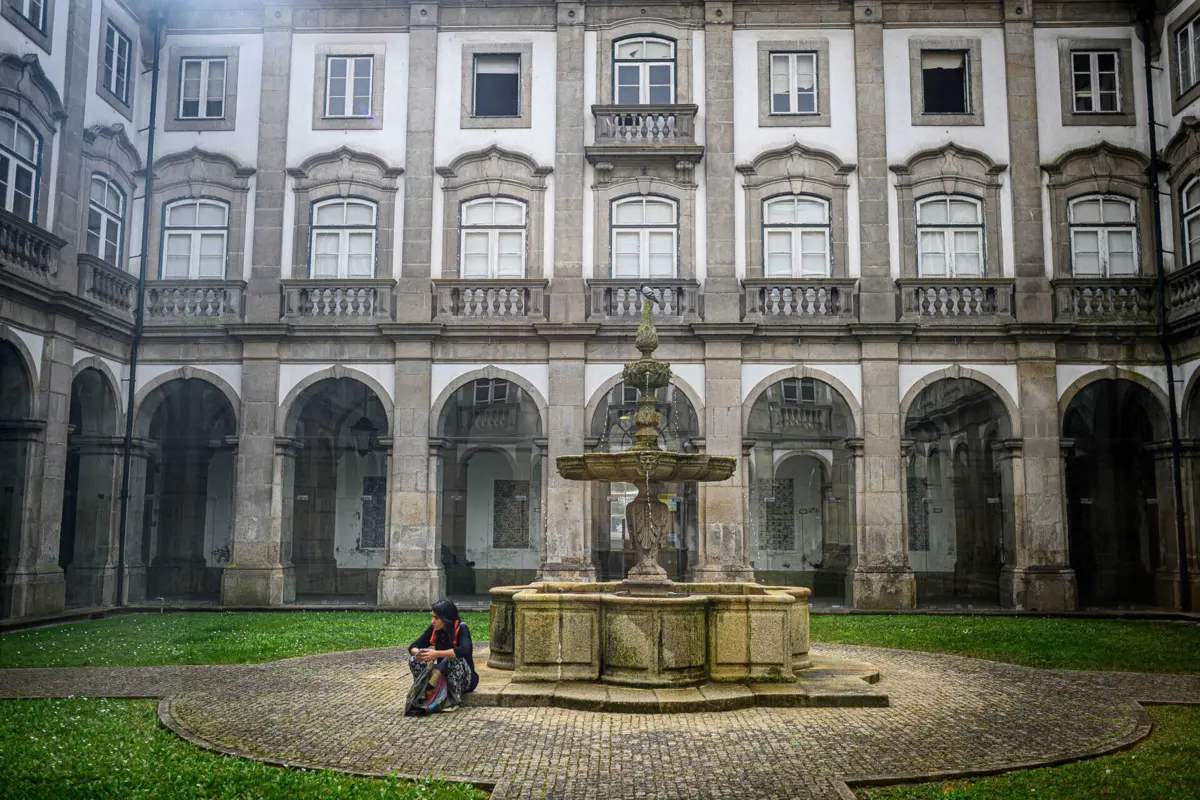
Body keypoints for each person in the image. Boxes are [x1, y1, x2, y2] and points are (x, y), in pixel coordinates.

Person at [407, 599, 478, 712]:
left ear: (446, 619)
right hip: (441, 675)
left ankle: (452, 701)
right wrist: (419, 653)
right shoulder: (435, 629)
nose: (432, 621)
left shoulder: (462, 628)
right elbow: (413, 646)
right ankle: (423, 692)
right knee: (414, 660)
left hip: (465, 680)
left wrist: (436, 654)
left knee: (453, 659)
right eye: (432, 617)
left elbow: (465, 650)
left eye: (436, 618)